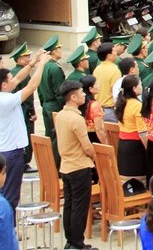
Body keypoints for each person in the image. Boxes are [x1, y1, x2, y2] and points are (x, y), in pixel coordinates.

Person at [0, 51, 46, 209]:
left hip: (3, 150)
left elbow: (18, 79)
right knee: (11, 195)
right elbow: (31, 86)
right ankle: (8, 223)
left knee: (4, 191)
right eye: (10, 79)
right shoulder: (7, 100)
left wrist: (32, 63)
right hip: (12, 153)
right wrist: (42, 64)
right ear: (4, 85)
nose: (13, 80)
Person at [53, 80, 96, 250]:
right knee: (80, 206)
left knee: (70, 204)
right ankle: (78, 242)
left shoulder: (60, 115)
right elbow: (87, 147)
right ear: (73, 97)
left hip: (66, 166)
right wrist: (95, 157)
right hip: (79, 166)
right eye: (81, 92)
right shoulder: (77, 119)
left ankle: (71, 241)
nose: (84, 94)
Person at [7, 44, 39, 166]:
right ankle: (25, 161)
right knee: (27, 133)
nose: (30, 59)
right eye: (27, 57)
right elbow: (28, 94)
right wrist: (32, 112)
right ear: (19, 59)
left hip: (17, 108)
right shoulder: (23, 74)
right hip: (24, 109)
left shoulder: (13, 72)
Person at [92, 42, 121, 122]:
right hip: (109, 111)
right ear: (109, 56)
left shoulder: (97, 69)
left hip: (97, 108)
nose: (116, 53)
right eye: (114, 51)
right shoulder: (115, 70)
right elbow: (117, 93)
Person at [80, 75, 107, 144]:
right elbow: (99, 129)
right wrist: (105, 144)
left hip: (83, 137)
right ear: (90, 88)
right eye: (96, 84)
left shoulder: (80, 103)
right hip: (95, 138)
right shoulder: (95, 105)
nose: (99, 85)